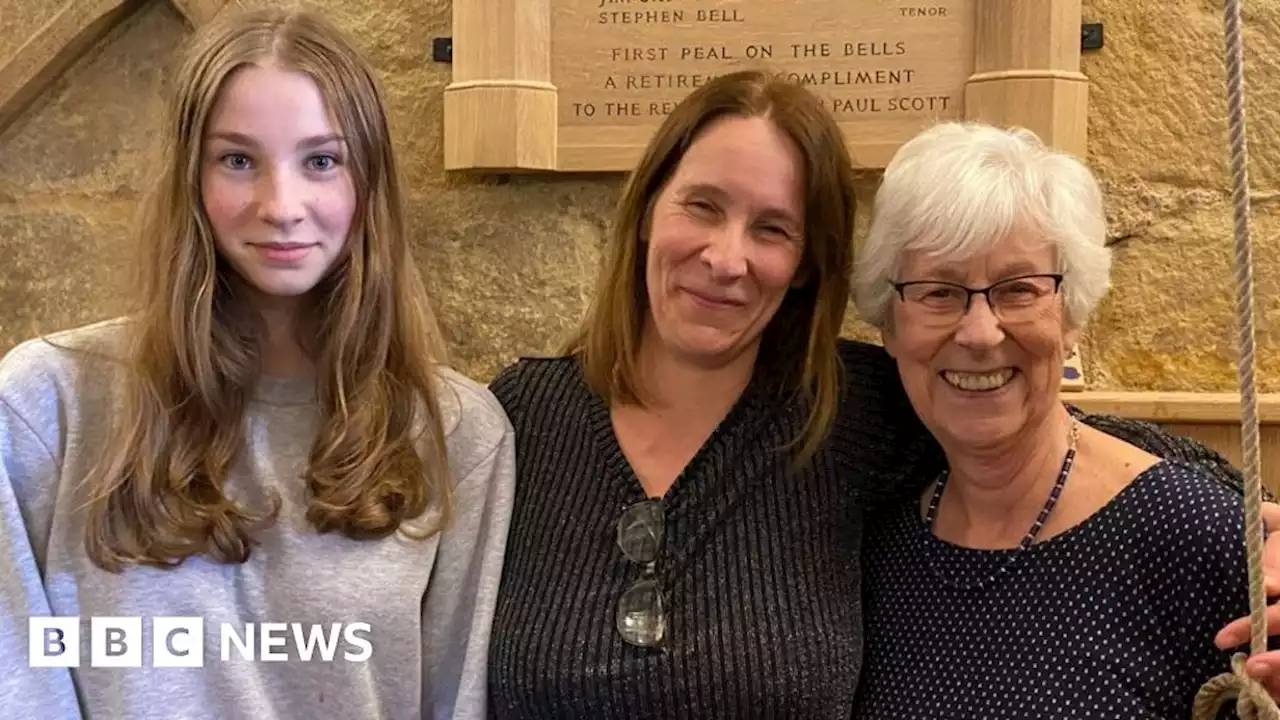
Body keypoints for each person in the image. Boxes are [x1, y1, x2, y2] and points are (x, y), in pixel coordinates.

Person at [482, 69, 1280, 718]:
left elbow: (1028, 424)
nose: (727, 258)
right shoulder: (518, 422)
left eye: (772, 228)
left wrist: (1257, 510)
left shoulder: (844, 415)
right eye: (703, 205)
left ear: (805, 264)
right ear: (647, 210)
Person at [0, 9, 513, 719]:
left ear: (368, 184)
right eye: (238, 160)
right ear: (191, 179)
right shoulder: (43, 407)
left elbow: (456, 699)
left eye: (321, 160)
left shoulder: (455, 432)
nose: (281, 206)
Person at [849, 120, 1269, 718]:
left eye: (1018, 290)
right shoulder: (876, 540)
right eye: (938, 291)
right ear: (888, 324)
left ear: (1071, 316)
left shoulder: (1196, 536)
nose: (978, 332)